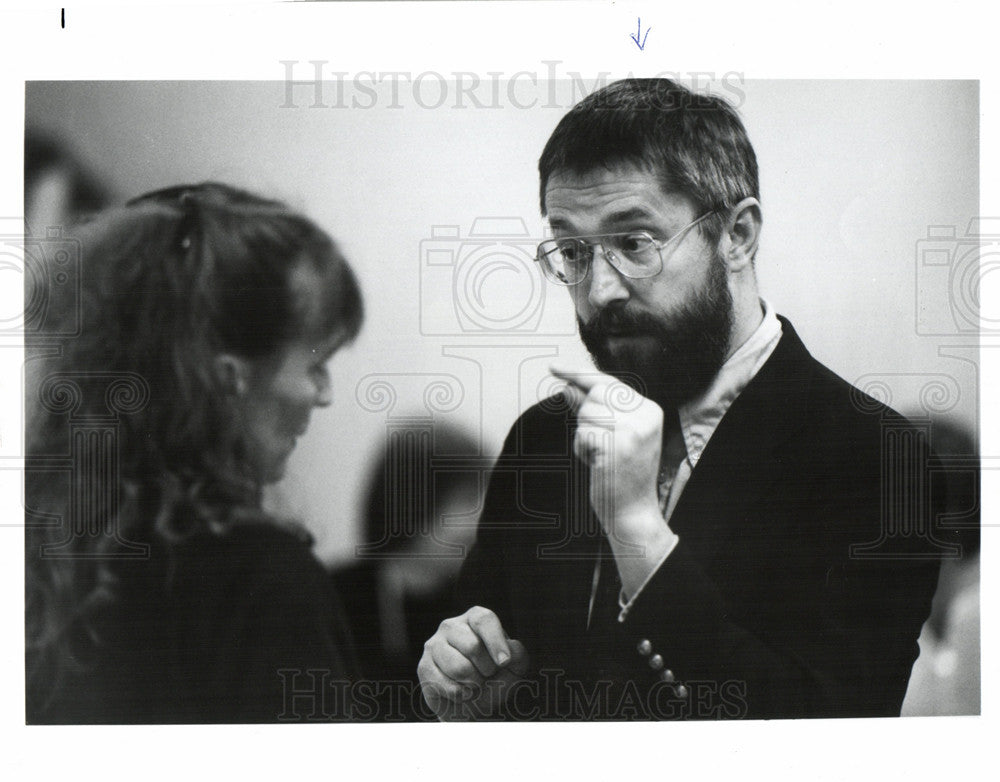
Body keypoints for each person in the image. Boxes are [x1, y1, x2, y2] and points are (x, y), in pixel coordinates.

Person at [417, 79, 945, 721]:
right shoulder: (543, 438)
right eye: (574, 251)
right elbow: (499, 670)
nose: (601, 289)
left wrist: (638, 529)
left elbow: (830, 737)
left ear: (738, 235)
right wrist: (460, 681)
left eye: (634, 243)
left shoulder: (874, 458)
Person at [25, 182, 364, 724]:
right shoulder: (262, 582)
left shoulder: (44, 549)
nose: (323, 394)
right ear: (230, 377)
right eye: (314, 364)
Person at [333, 422, 480, 720]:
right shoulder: (333, 596)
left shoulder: (479, 606)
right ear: (413, 504)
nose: (479, 521)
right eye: (466, 501)